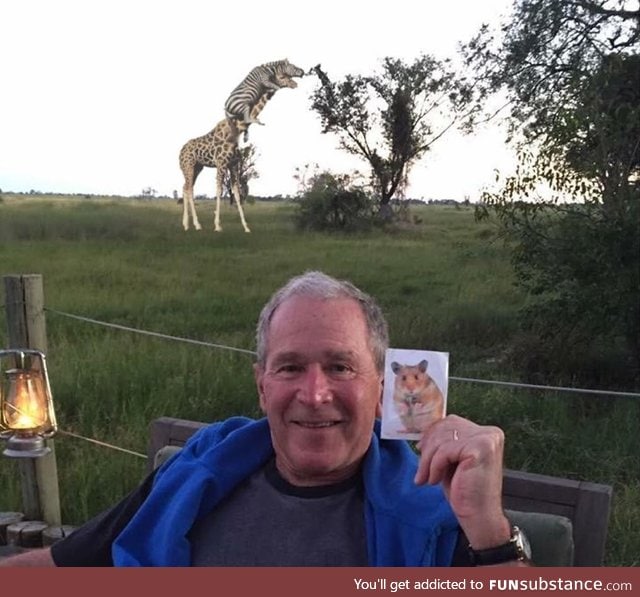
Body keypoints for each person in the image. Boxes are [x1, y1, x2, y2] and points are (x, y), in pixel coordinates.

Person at [0, 270, 530, 567]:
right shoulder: (195, 471)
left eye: (341, 366)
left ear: (382, 388)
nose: (315, 393)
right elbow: (57, 567)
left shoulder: (433, 514)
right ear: (262, 386)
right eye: (290, 367)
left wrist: (487, 528)